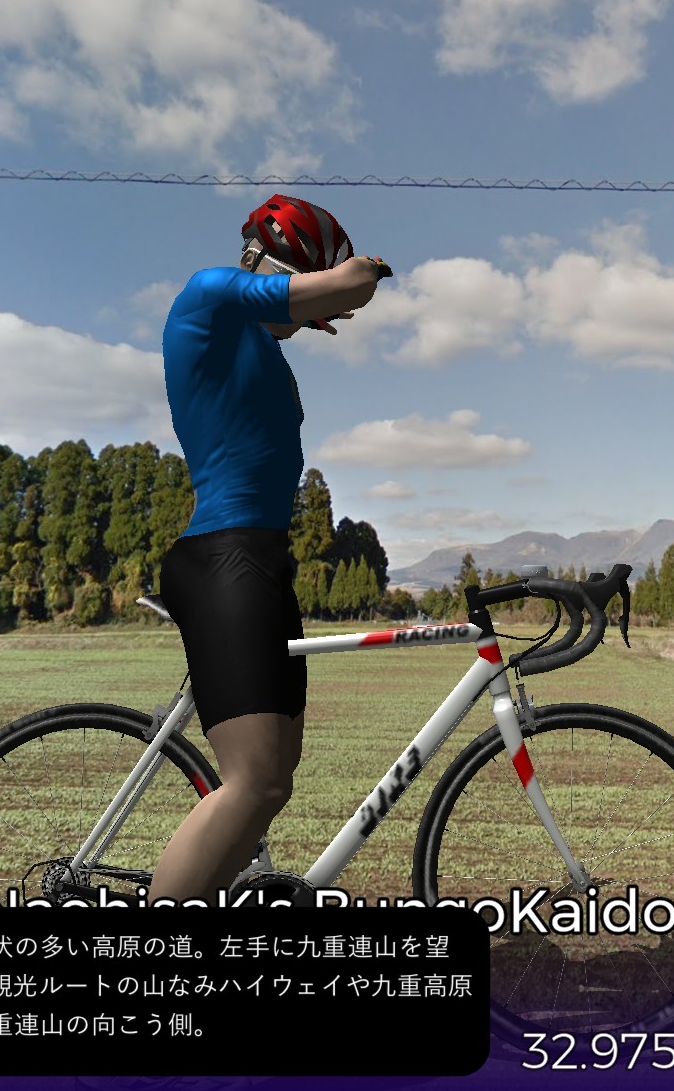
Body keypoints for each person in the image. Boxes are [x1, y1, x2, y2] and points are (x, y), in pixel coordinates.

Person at [150, 196, 390, 905]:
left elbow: (311, 299)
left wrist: (314, 299)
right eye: (295, 281)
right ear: (260, 257)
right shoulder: (208, 296)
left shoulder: (262, 347)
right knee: (251, 780)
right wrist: (357, 276)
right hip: (223, 555)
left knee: (274, 784)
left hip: (260, 561)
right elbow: (349, 282)